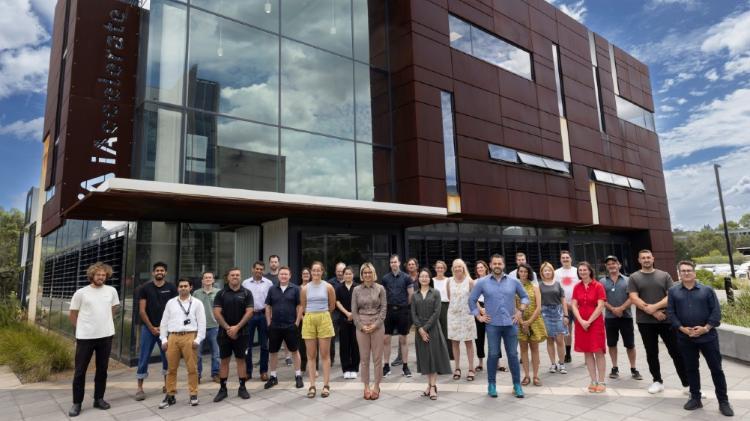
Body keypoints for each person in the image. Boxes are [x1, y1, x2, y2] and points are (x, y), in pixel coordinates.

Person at [667, 260, 734, 417]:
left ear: (694, 272)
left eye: (689, 270)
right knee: (691, 369)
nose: (686, 273)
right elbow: (671, 313)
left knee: (716, 369)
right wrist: (682, 329)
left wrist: (705, 328)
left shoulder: (707, 290)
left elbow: (716, 313)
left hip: (708, 337)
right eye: (683, 271)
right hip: (685, 338)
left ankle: (723, 402)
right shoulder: (673, 292)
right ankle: (695, 398)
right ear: (679, 273)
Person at [628, 249, 689, 394]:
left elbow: (671, 296)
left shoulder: (664, 275)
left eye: (648, 257)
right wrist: (652, 312)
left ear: (653, 258)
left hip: (666, 320)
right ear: (639, 260)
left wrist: (654, 308)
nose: (646, 260)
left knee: (676, 352)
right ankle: (657, 381)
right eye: (643, 258)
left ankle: (687, 384)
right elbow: (633, 297)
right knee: (651, 352)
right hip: (645, 322)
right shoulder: (634, 277)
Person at [469, 254, 529, 398]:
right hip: (492, 325)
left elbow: (525, 297)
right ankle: (491, 385)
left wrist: (520, 311)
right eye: (494, 263)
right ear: (490, 265)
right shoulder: (482, 282)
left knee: (513, 355)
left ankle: (517, 385)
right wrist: (479, 316)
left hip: (511, 324)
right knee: (493, 354)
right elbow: (471, 300)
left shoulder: (513, 281)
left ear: (503, 265)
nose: (497, 266)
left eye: (499, 263)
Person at [68, 262, 120, 417]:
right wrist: (81, 329)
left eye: (104, 275)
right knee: (80, 371)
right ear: (92, 275)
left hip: (106, 336)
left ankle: (99, 399)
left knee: (102, 370)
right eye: (98, 275)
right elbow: (72, 314)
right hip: (85, 338)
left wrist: (105, 322)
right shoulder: (81, 293)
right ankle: (77, 403)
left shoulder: (111, 291)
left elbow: (113, 308)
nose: (101, 277)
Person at [158, 278, 207, 409]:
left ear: (190, 287)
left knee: (192, 368)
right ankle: (170, 395)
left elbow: (202, 323)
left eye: (186, 286)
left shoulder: (197, 303)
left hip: (190, 336)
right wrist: (163, 339)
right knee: (171, 369)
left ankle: (193, 394)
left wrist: (198, 339)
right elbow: (164, 322)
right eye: (181, 286)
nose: (183, 288)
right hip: (173, 337)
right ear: (178, 288)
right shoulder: (171, 303)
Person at [135, 262, 177, 401]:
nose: (160, 272)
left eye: (162, 270)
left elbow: (174, 309)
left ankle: (167, 385)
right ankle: (140, 388)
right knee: (144, 357)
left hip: (166, 329)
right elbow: (142, 311)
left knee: (168, 357)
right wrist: (152, 327)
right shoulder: (145, 288)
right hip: (148, 329)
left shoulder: (171, 287)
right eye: (157, 270)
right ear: (153, 273)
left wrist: (165, 327)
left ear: (165, 273)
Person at [213, 268, 254, 402]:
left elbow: (249, 312)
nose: (235, 277)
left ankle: (242, 388)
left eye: (237, 275)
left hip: (243, 333)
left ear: (240, 277)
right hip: (224, 333)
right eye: (232, 275)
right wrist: (228, 328)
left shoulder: (247, 293)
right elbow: (217, 313)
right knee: (224, 360)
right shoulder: (221, 293)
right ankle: (223, 389)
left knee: (241, 360)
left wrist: (237, 328)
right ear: (228, 277)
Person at [412, 267, 452, 400]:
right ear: (419, 278)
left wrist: (425, 328)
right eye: (422, 276)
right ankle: (429, 385)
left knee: (433, 357)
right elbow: (413, 314)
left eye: (426, 276)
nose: (424, 278)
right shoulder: (415, 295)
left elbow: (437, 313)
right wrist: (420, 328)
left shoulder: (435, 293)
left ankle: (433, 386)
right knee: (425, 358)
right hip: (420, 330)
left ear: (430, 279)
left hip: (433, 329)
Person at [600, 256, 642, 380]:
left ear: (619, 265)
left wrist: (621, 309)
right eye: (609, 264)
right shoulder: (602, 282)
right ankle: (614, 367)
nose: (612, 266)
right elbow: (601, 299)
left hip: (626, 317)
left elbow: (633, 297)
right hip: (610, 318)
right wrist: (613, 309)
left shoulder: (628, 280)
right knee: (612, 344)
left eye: (614, 263)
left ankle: (633, 368)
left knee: (630, 344)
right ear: (606, 267)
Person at [264, 266, 304, 389]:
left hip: (290, 325)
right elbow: (268, 307)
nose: (283, 276)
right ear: (278, 275)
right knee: (273, 351)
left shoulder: (296, 289)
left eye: (286, 274)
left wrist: (297, 323)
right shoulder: (272, 289)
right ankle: (273, 376)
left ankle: (298, 376)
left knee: (295, 351)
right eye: (282, 274)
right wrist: (269, 323)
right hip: (275, 326)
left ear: (290, 275)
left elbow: (300, 306)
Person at [301, 261, 337, 398]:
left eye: (318, 270)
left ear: (322, 272)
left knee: (325, 355)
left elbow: (332, 305)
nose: (316, 272)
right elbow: (303, 306)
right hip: (309, 319)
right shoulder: (305, 288)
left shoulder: (328, 287)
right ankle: (312, 385)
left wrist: (322, 313)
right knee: (310, 355)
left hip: (324, 318)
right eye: (314, 270)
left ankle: (326, 385)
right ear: (310, 272)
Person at [352, 262, 387, 400]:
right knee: (364, 358)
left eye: (369, 272)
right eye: (364, 272)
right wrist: (361, 326)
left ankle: (377, 386)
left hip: (377, 326)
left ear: (373, 274)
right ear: (361, 275)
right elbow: (354, 312)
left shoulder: (381, 289)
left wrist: (376, 324)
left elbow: (384, 309)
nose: (367, 275)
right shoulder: (356, 290)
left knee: (378, 358)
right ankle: (366, 386)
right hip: (362, 326)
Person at [571, 262, 607, 393]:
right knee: (587, 351)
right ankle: (593, 380)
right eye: (580, 270)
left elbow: (600, 305)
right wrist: (581, 321)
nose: (582, 272)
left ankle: (602, 381)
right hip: (581, 324)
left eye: (584, 270)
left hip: (595, 323)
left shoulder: (598, 286)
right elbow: (574, 305)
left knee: (598, 351)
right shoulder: (577, 287)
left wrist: (589, 321)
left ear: (590, 271)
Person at [381, 254, 414, 378]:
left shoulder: (406, 278)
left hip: (402, 311)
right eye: (391, 262)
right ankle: (386, 366)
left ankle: (405, 366)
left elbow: (410, 295)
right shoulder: (385, 278)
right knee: (386, 340)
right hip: (389, 311)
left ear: (399, 263)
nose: (393, 264)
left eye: (395, 262)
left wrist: (404, 305)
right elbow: (383, 295)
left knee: (403, 340)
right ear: (390, 264)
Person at [241, 261, 273, 381]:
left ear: (263, 271)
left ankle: (263, 371)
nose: (259, 271)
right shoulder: (245, 283)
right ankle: (248, 372)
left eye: (261, 269)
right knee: (247, 345)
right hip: (249, 315)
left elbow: (271, 301)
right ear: (252, 269)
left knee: (264, 344)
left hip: (263, 315)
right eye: (257, 269)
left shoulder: (268, 283)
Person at [516, 263, 547, 387]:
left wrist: (529, 322)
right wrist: (522, 322)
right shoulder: (515, 287)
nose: (523, 274)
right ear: (518, 273)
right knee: (523, 349)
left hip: (534, 321)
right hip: (520, 322)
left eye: (525, 271)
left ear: (529, 273)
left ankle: (535, 376)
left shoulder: (535, 287)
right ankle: (526, 376)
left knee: (535, 349)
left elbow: (539, 307)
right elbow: (513, 306)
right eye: (521, 271)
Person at [447, 258, 477, 381]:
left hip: (466, 316)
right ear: (453, 268)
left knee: (469, 342)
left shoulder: (470, 281)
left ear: (463, 267)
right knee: (455, 342)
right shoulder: (449, 281)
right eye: (455, 266)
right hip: (453, 315)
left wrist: (479, 312)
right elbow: (450, 298)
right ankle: (457, 368)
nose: (458, 268)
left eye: (460, 266)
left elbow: (473, 299)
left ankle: (471, 368)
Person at [539, 262, 568, 374]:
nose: (547, 272)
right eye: (545, 270)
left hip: (558, 312)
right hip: (545, 314)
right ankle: (553, 364)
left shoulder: (557, 284)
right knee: (550, 339)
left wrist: (566, 315)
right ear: (542, 273)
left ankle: (562, 363)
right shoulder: (539, 286)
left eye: (549, 270)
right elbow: (538, 302)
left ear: (552, 271)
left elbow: (563, 300)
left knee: (560, 340)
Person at [193, 271, 221, 384]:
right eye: (206, 277)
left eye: (210, 277)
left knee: (216, 353)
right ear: (202, 280)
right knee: (198, 355)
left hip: (214, 327)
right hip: (199, 328)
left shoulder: (219, 292)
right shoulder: (196, 293)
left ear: (213, 280)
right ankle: (197, 375)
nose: (208, 279)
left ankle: (215, 374)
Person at [392, 257, 420, 367]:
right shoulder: (403, 278)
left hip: (419, 310)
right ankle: (400, 357)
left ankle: (421, 358)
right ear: (407, 267)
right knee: (402, 334)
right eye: (409, 265)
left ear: (416, 266)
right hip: (407, 310)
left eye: (413, 264)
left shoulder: (422, 276)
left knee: (421, 334)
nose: (411, 266)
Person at [336, 266, 360, 379]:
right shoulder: (339, 288)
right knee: (344, 345)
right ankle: (346, 369)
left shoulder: (358, 287)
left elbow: (360, 303)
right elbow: (337, 302)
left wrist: (353, 314)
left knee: (355, 345)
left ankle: (354, 368)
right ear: (343, 275)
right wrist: (347, 313)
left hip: (356, 321)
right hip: (343, 319)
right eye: (346, 274)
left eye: (350, 274)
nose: (348, 276)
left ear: (353, 275)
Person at [555, 250, 578, 363]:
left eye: (567, 257)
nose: (565, 259)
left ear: (571, 259)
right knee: (567, 331)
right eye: (563, 258)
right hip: (564, 307)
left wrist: (574, 304)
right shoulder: (557, 273)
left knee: (582, 329)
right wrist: (565, 305)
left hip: (577, 306)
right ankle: (568, 354)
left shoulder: (577, 271)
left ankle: (587, 351)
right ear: (560, 260)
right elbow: (556, 290)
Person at [432, 260, 453, 360]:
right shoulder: (432, 280)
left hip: (445, 306)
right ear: (435, 269)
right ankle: (436, 354)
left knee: (446, 330)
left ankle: (448, 354)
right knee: (435, 331)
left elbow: (451, 295)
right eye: (438, 267)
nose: (439, 269)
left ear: (444, 269)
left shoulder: (448, 280)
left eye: (441, 268)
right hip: (434, 307)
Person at [328, 262, 346, 366]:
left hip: (345, 313)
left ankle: (345, 358)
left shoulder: (349, 282)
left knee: (345, 337)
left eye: (341, 271)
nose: (340, 273)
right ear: (335, 271)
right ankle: (331, 358)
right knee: (331, 337)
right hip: (333, 313)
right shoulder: (329, 283)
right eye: (338, 271)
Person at [473, 260, 489, 372]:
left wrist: (488, 308)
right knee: (479, 337)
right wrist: (480, 309)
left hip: (491, 308)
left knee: (494, 336)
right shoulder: (474, 282)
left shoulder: (492, 280)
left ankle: (497, 363)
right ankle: (480, 363)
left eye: (481, 267)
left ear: (486, 268)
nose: (480, 269)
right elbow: (473, 298)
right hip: (479, 309)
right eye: (478, 268)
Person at [298, 267, 312, 373]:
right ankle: (303, 366)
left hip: (313, 317)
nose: (306, 275)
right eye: (304, 273)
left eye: (307, 273)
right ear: (301, 275)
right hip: (302, 318)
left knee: (314, 343)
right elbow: (297, 305)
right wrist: (302, 317)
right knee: (302, 344)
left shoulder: (314, 287)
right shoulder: (297, 289)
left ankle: (314, 367)